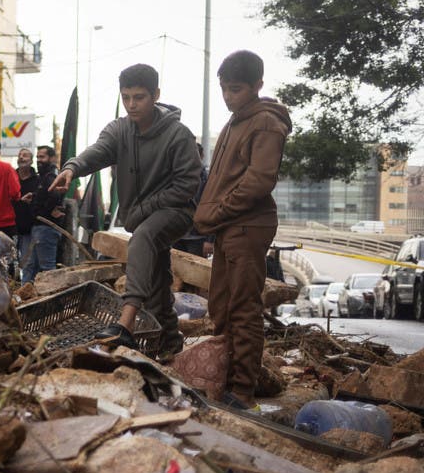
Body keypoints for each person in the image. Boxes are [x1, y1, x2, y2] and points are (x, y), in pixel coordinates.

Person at [50, 64, 201, 358]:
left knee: (142, 237)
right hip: (141, 217)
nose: (132, 104)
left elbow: (187, 185)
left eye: (140, 97)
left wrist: (144, 209)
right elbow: (98, 150)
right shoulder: (119, 129)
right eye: (126, 96)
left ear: (156, 95)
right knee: (157, 282)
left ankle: (125, 323)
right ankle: (170, 343)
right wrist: (72, 167)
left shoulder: (179, 135)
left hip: (176, 213)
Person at [193, 50, 291, 410]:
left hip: (247, 225)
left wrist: (217, 212)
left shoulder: (265, 123)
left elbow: (258, 181)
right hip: (227, 227)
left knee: (243, 308)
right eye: (224, 89)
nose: (228, 96)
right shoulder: (237, 122)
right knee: (220, 306)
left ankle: (243, 392)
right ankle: (224, 381)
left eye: (235, 89)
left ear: (258, 86)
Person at [21, 145, 65, 284]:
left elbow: (55, 194)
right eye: (38, 157)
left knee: (47, 269)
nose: (39, 160)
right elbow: (45, 194)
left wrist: (43, 213)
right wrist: (33, 197)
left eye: (42, 157)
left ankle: (52, 301)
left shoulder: (51, 175)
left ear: (51, 158)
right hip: (39, 228)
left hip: (45, 228)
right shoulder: (44, 176)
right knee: (31, 266)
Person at [173, 143, 211, 258]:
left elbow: (211, 210)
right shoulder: (175, 176)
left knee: (195, 272)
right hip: (176, 235)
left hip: (197, 238)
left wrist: (210, 240)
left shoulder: (208, 181)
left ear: (201, 156)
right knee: (174, 271)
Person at [13, 149, 39, 276]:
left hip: (30, 228)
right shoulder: (11, 177)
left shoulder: (37, 180)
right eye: (19, 155)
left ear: (31, 160)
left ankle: (25, 289)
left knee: (28, 262)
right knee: (9, 262)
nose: (21, 158)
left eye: (25, 155)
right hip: (11, 227)